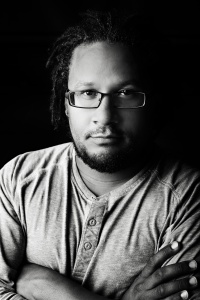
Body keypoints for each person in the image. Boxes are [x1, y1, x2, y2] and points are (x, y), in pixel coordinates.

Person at [0, 9, 200, 300]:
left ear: (152, 103)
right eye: (87, 93)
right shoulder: (18, 179)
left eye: (126, 93)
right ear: (66, 103)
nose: (104, 117)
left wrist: (48, 287)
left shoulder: (187, 198)